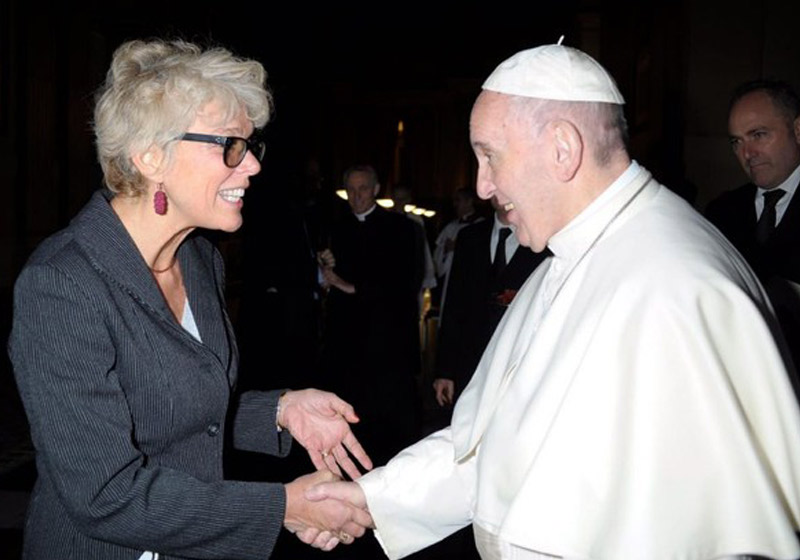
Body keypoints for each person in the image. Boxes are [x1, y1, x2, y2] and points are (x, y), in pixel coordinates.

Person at [307, 44, 800, 560]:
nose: (482, 185)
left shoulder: (674, 284)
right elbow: (489, 443)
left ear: (563, 148)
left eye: (490, 156)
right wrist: (368, 499)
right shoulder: (568, 256)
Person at [8, 39, 372, 560]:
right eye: (229, 146)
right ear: (151, 156)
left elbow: (170, 413)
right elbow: (104, 495)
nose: (251, 167)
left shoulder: (200, 261)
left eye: (251, 147)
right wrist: (283, 507)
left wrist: (280, 411)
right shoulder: (63, 285)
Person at [319, 165, 421, 468]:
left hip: (387, 340)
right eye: (350, 190)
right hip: (348, 342)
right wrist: (326, 271)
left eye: (363, 188)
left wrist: (348, 286)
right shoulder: (337, 227)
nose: (356, 196)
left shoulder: (402, 228)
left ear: (376, 189)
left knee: (389, 426)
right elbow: (329, 278)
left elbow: (403, 284)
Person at [706, 80, 800, 369]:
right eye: (737, 141)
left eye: (758, 135)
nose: (747, 153)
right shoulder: (721, 212)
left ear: (798, 130)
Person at [433, 196, 547, 408]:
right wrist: (444, 371)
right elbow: (454, 306)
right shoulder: (469, 237)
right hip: (470, 365)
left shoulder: (541, 239)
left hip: (519, 368)